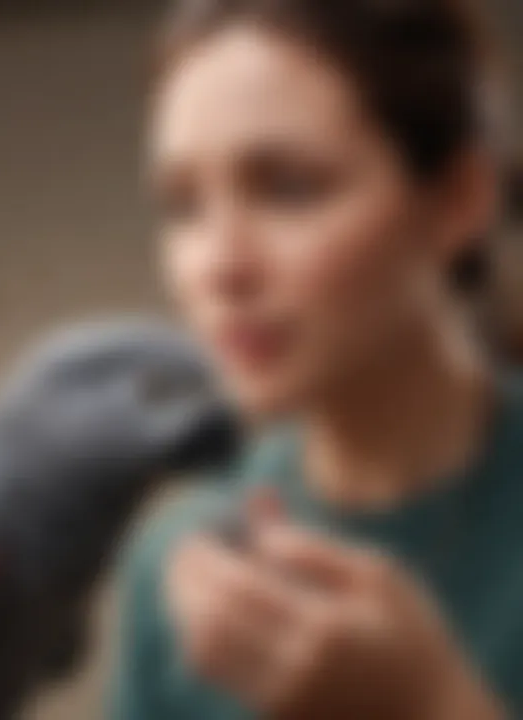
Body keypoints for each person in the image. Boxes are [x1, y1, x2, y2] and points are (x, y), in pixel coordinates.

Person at [111, 0, 523, 718]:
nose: (220, 265)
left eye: (289, 188)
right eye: (182, 205)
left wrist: (431, 705)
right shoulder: (183, 568)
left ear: (460, 199)